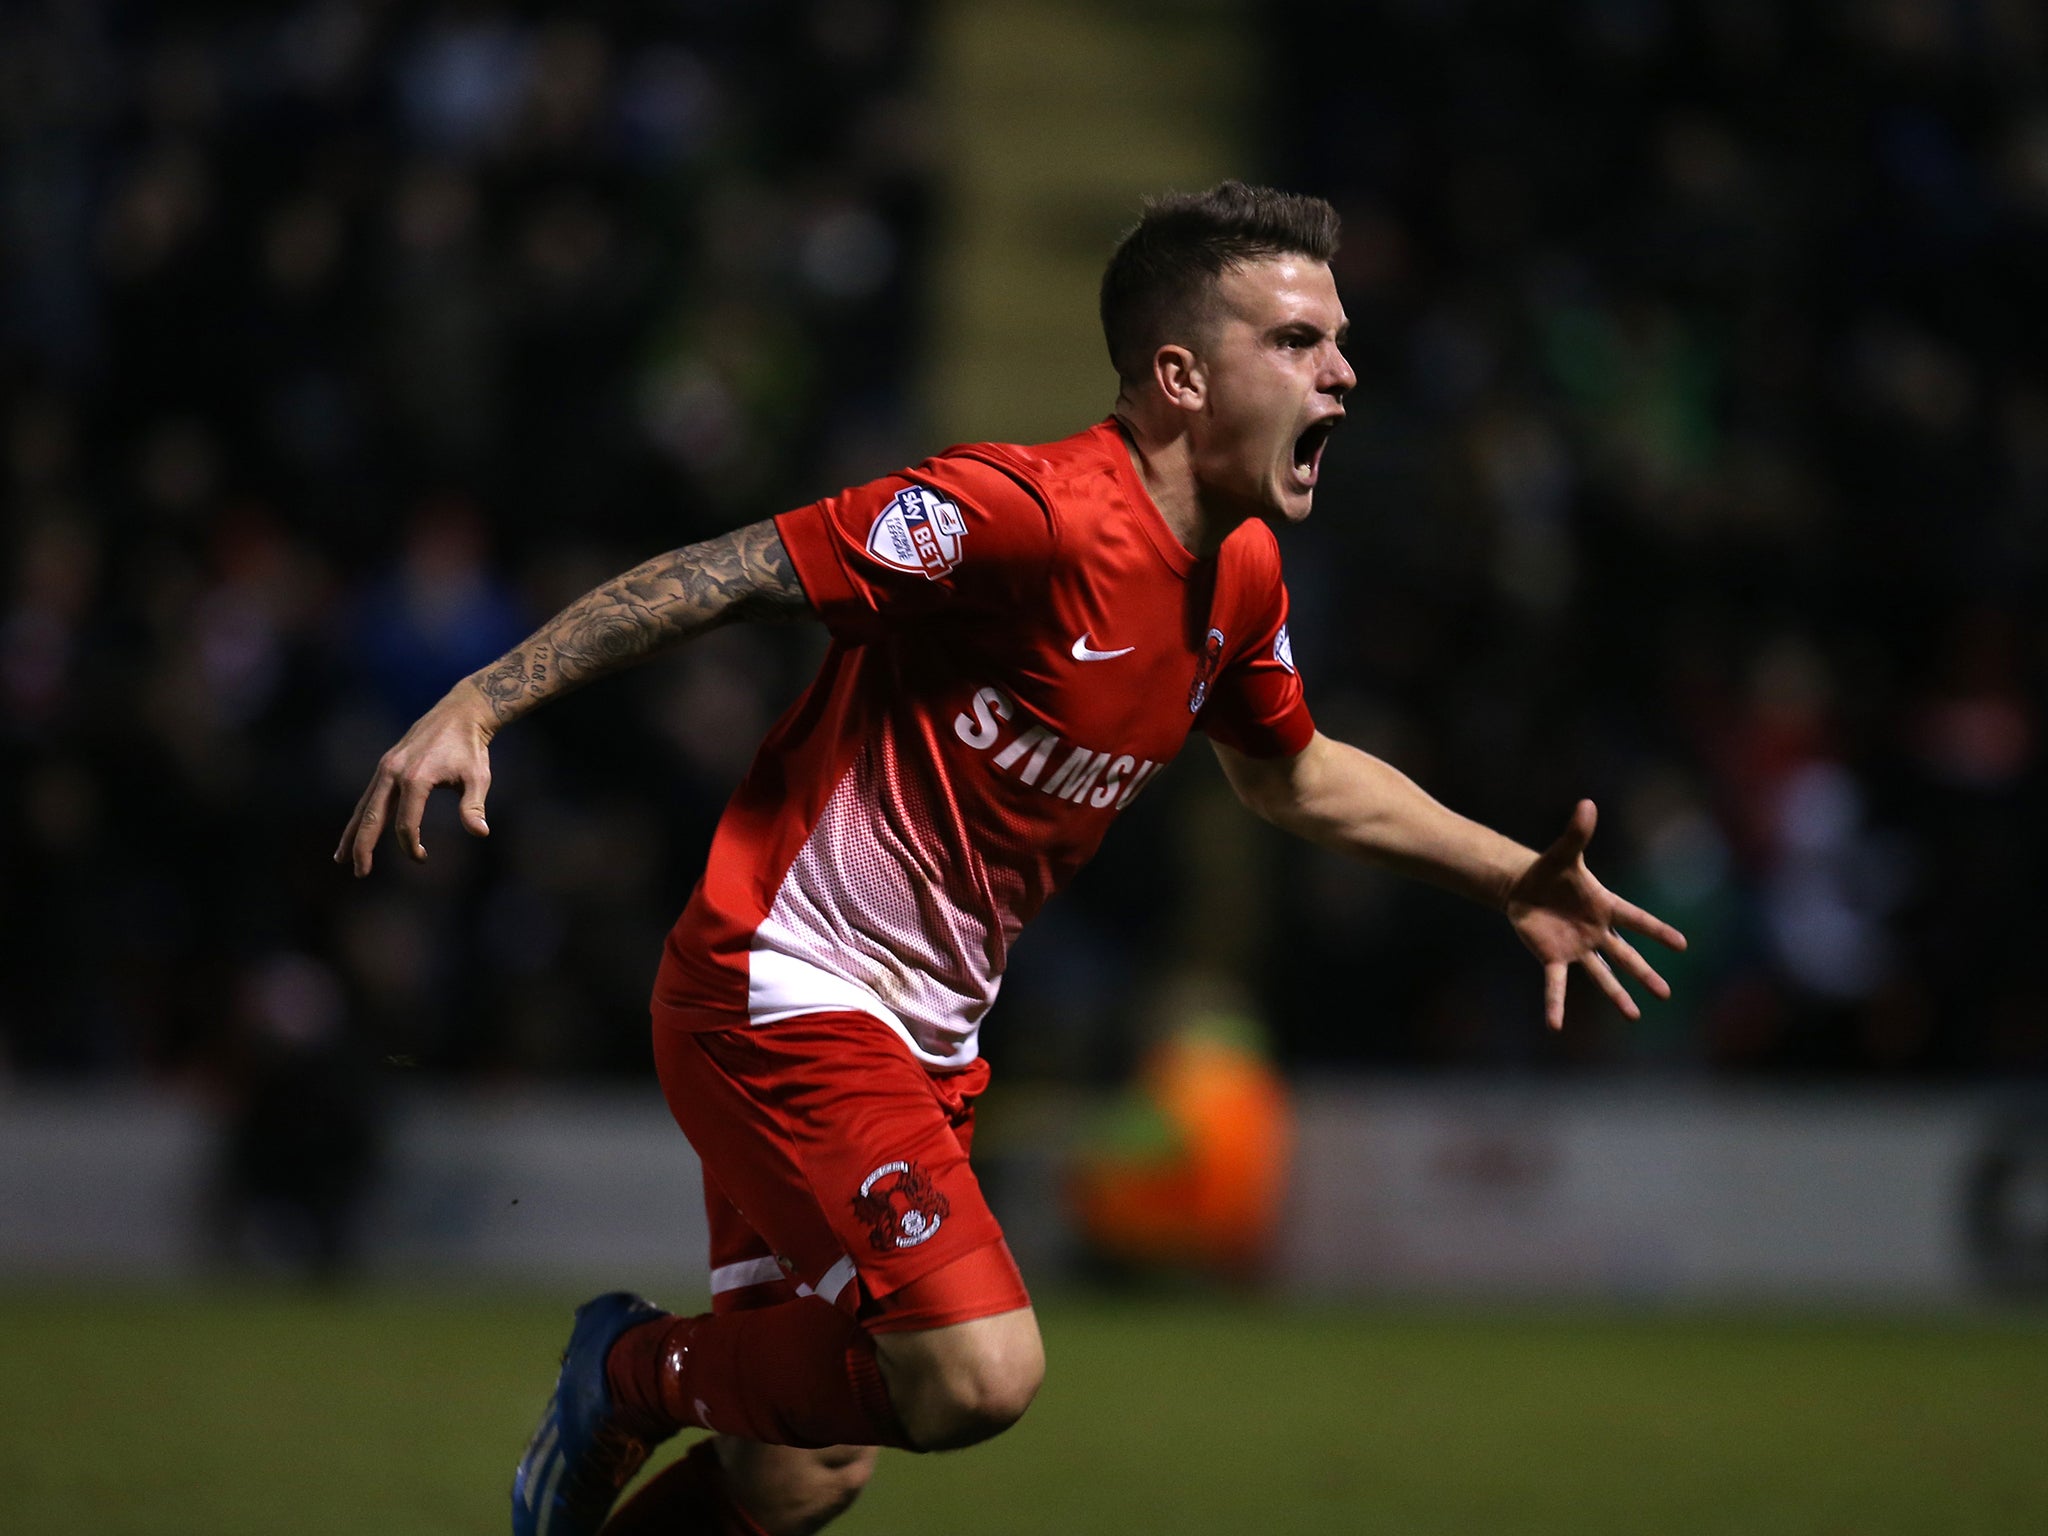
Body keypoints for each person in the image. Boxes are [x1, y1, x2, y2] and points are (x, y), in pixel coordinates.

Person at [336, 182, 1685, 1536]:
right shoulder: (1018, 516)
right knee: (979, 1373)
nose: (1342, 369)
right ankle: (628, 1372)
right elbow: (739, 569)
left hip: (924, 1044)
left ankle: (648, 1411)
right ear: (1178, 377)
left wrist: (1508, 872)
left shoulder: (1243, 575)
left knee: (806, 1466)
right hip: (782, 988)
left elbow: (1294, 777)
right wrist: (484, 697)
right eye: (1294, 341)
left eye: (1338, 339)